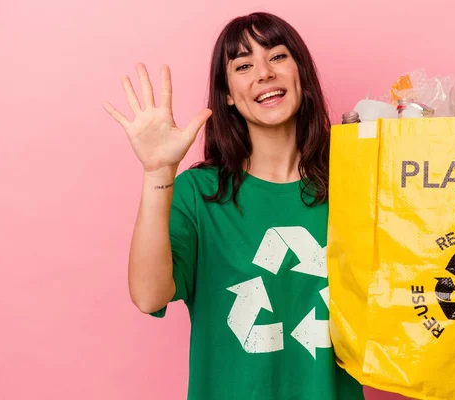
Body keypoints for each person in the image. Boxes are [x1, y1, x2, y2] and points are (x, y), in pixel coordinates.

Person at [103, 11, 365, 400]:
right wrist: (158, 171)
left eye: (277, 56)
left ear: (301, 74)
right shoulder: (199, 193)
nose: (264, 73)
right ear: (226, 93)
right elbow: (148, 296)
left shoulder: (355, 182)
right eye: (243, 65)